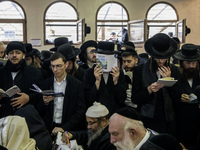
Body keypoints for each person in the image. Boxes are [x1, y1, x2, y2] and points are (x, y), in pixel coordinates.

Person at [131, 33, 180, 136]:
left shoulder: (174, 69)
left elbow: (177, 98)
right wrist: (148, 90)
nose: (161, 61)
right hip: (147, 119)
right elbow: (134, 99)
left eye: (164, 58)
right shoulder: (140, 70)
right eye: (158, 58)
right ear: (152, 55)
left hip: (168, 120)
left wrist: (169, 80)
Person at [36, 52, 86, 136]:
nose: (55, 70)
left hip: (69, 127)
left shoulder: (77, 85)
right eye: (53, 66)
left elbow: (80, 111)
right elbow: (38, 110)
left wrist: (64, 128)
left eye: (58, 66)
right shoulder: (45, 84)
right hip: (49, 128)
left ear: (66, 65)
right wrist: (44, 102)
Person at [0, 41, 43, 118]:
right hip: (5, 115)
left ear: (23, 55)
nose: (14, 55)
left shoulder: (34, 72)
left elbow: (40, 94)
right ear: (7, 55)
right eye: (11, 53)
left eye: (17, 53)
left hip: (26, 115)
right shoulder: (1, 72)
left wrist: (28, 98)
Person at [83, 41, 126, 114]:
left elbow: (121, 99)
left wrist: (116, 82)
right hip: (96, 114)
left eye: (109, 56)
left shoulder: (118, 73)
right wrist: (97, 82)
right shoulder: (89, 73)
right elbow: (88, 99)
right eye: (103, 56)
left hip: (114, 113)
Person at [173, 43, 200, 148]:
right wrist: (179, 96)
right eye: (188, 63)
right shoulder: (175, 75)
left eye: (194, 62)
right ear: (181, 62)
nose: (191, 66)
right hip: (181, 123)